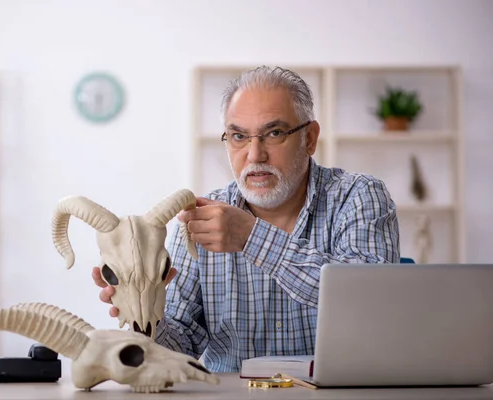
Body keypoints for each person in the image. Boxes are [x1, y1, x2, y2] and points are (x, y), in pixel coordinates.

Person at [92, 66, 400, 373]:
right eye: (238, 136)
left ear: (309, 138)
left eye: (274, 133)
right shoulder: (199, 221)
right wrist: (147, 315)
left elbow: (370, 303)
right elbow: (179, 344)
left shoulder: (359, 195)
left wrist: (252, 238)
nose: (254, 155)